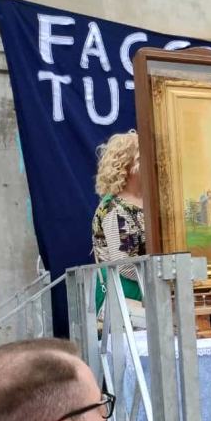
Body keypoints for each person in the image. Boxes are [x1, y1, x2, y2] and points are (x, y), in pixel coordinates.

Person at [91, 130, 145, 313]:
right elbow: (125, 266)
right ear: (128, 166)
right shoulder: (114, 208)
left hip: (149, 290)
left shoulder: (152, 202)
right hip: (127, 296)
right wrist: (164, 278)